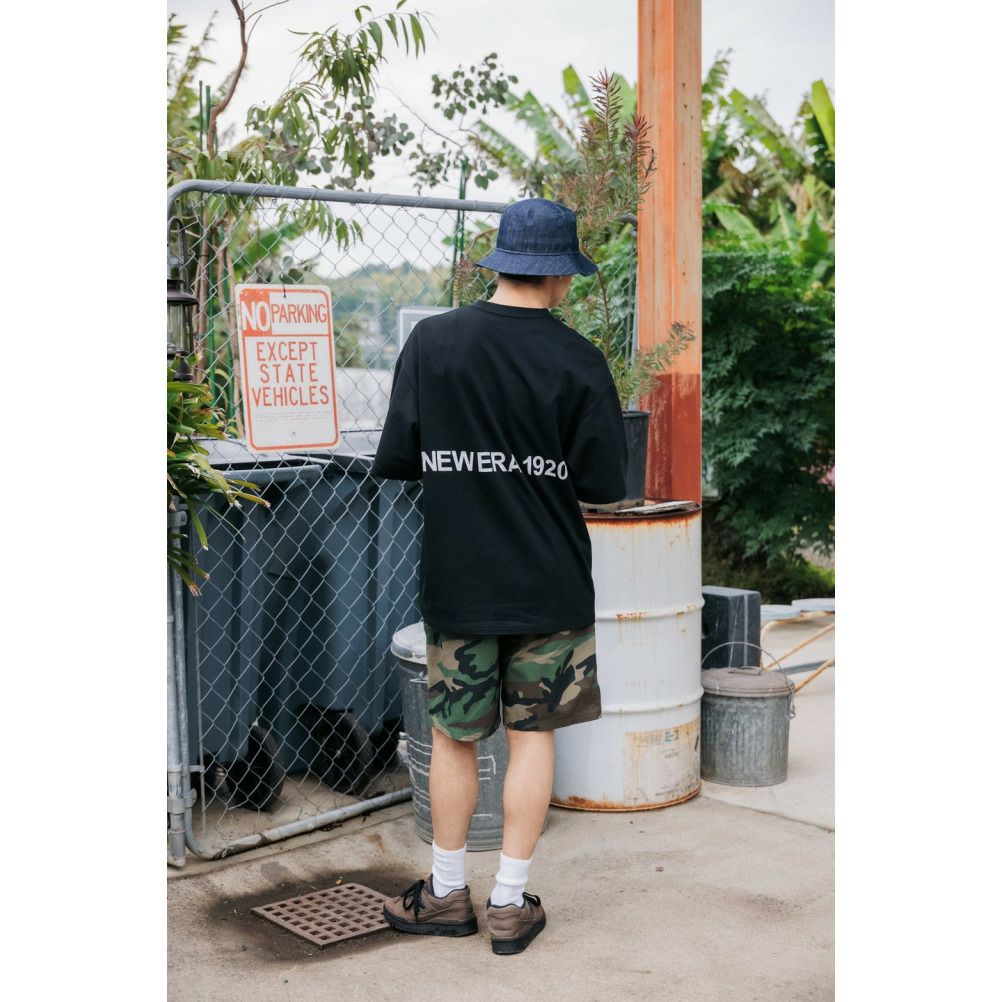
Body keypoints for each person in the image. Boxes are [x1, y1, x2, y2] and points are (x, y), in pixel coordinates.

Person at [372, 197, 628, 955]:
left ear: (503, 264)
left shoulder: (433, 342)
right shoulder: (579, 360)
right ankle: (510, 905)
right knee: (533, 736)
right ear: (558, 275)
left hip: (461, 582)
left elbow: (400, 457)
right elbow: (603, 484)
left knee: (453, 739)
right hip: (551, 586)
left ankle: (447, 894)